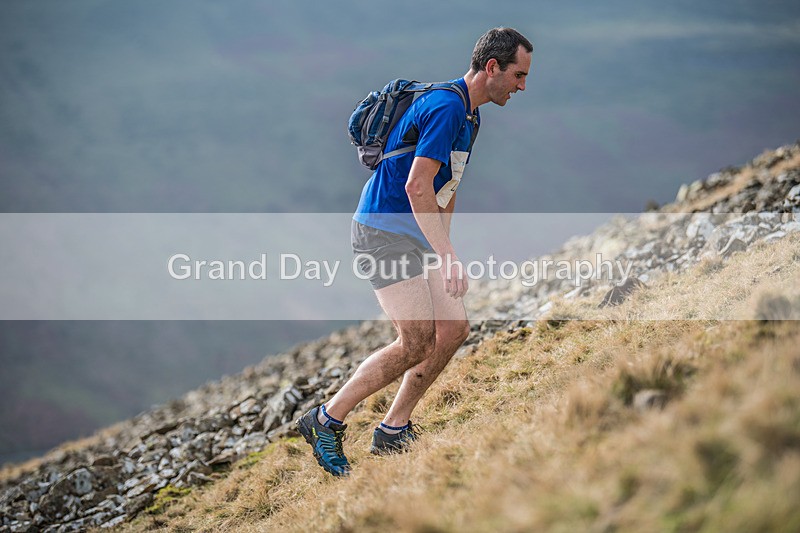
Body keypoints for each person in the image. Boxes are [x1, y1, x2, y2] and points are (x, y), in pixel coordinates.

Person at [297, 27, 533, 476]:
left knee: (454, 329)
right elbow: (416, 185)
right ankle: (325, 419)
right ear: (492, 67)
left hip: (416, 233)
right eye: (518, 75)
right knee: (416, 341)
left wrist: (445, 249)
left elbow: (446, 188)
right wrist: (446, 256)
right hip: (382, 232)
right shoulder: (446, 107)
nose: (522, 86)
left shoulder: (470, 117)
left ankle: (393, 428)